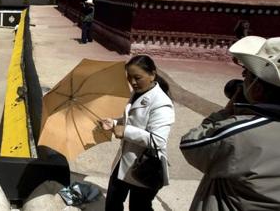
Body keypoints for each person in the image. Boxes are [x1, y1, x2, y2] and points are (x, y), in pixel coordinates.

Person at [180, 36, 280, 210]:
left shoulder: (241, 133)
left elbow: (191, 143)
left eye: (245, 75)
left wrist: (226, 112)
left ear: (257, 89)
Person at [99, 55, 175, 211]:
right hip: (124, 159)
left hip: (145, 166)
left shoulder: (162, 103)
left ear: (152, 74)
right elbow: (134, 120)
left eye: (137, 77)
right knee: (112, 202)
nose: (133, 82)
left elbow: (158, 140)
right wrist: (114, 123)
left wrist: (125, 131)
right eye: (129, 78)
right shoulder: (138, 93)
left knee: (139, 207)